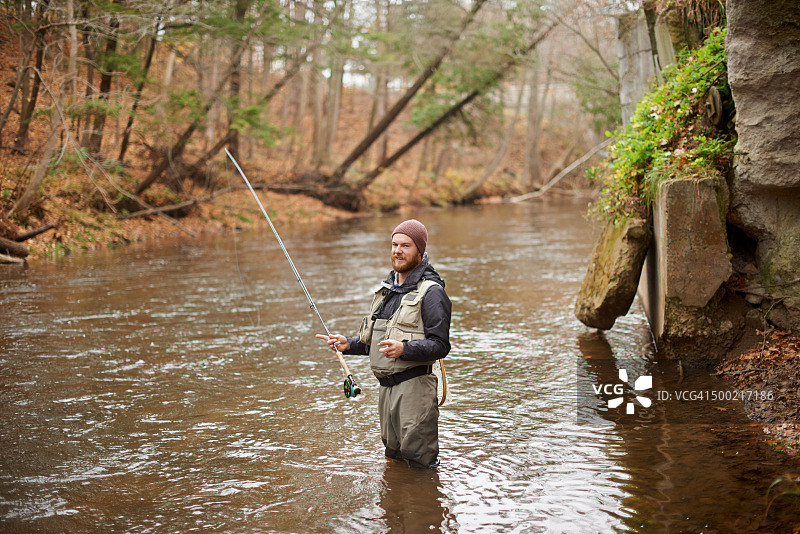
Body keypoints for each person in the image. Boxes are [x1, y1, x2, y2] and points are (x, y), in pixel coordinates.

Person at [317, 219, 451, 468]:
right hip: (386, 391)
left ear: (419, 252)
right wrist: (349, 344)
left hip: (415, 389)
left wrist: (405, 349)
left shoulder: (432, 292)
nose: (397, 250)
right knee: (393, 459)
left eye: (406, 246)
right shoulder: (386, 291)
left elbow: (440, 346)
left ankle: (425, 504)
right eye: (394, 244)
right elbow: (373, 343)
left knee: (421, 464)